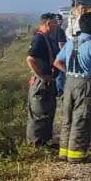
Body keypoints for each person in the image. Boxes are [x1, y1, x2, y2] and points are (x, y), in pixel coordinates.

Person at [52, 12, 91, 163]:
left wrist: (69, 72)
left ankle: (64, 152)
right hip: (85, 84)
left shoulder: (71, 43)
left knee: (67, 118)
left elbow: (57, 62)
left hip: (69, 82)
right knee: (82, 118)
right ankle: (77, 155)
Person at [26, 14, 60, 147]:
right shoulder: (38, 38)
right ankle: (35, 144)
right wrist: (41, 76)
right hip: (41, 81)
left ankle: (45, 141)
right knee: (38, 112)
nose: (57, 25)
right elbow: (30, 59)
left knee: (48, 111)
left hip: (49, 79)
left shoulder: (47, 38)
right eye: (55, 23)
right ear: (48, 23)